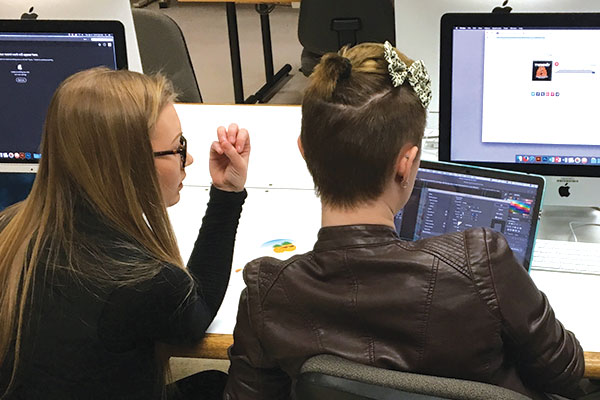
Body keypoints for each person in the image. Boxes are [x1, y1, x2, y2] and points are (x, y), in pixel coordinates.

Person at [224, 42, 595, 400]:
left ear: (304, 150)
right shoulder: (483, 262)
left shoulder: (266, 294)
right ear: (406, 164)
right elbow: (564, 371)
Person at [0, 67, 250, 399]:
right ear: (127, 165)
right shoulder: (142, 279)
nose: (187, 158)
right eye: (177, 148)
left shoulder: (11, 227)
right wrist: (227, 197)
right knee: (221, 383)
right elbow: (195, 316)